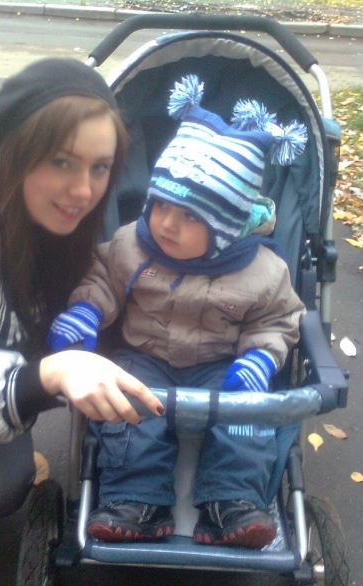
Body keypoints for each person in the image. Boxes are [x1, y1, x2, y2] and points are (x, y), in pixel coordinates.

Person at [0, 57, 163, 561]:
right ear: (16, 150)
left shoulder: (58, 234)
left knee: (2, 487)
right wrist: (47, 374)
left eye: (100, 167)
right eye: (62, 162)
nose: (84, 190)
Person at [48, 75, 307, 549]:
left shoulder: (263, 271)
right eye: (162, 204)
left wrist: (259, 359)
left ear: (226, 226)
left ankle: (231, 502)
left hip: (222, 365)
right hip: (144, 357)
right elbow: (102, 277)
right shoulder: (131, 244)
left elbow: (277, 320)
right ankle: (136, 501)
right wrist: (86, 312)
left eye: (190, 216)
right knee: (127, 410)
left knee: (246, 417)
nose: (167, 223)